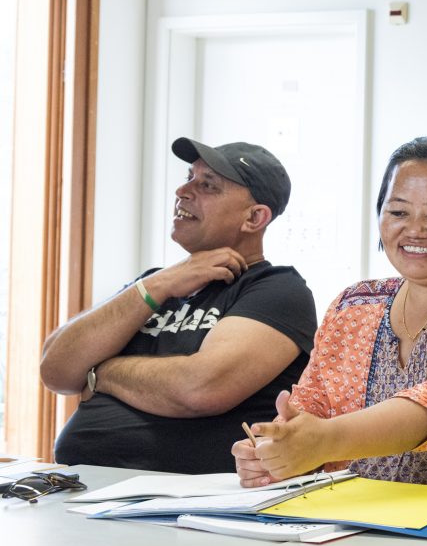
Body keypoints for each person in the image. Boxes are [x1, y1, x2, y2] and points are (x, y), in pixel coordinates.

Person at [233, 137, 427, 495]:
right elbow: (308, 415)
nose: (414, 230)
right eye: (398, 212)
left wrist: (322, 441)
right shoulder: (353, 306)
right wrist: (276, 451)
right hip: (356, 524)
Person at [43, 139, 316, 473]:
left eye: (207, 185)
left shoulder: (277, 289)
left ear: (254, 217)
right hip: (81, 488)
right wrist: (160, 283)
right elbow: (55, 369)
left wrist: (102, 372)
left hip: (186, 504)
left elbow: (199, 388)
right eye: (189, 177)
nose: (182, 190)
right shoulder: (156, 285)